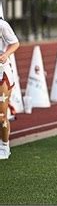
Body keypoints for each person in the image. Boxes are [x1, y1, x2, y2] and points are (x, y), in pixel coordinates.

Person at [0, 18, 20, 160]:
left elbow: (15, 43)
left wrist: (6, 54)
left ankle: (4, 146)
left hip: (1, 71)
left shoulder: (2, 25)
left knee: (1, 114)